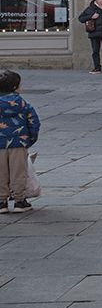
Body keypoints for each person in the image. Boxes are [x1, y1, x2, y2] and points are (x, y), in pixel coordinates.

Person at [0, 70, 38, 213]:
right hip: (19, 144)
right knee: (18, 172)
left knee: (1, 172)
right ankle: (19, 201)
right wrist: (30, 139)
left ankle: (1, 202)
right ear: (16, 87)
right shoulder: (22, 104)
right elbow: (34, 122)